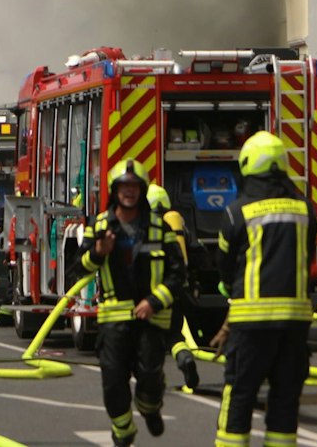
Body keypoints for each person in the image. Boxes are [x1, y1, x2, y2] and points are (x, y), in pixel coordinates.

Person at [213, 132, 314, 447]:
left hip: (251, 325)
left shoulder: (237, 211)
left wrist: (229, 289)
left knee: (240, 394)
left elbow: (224, 265)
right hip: (295, 324)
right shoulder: (305, 209)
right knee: (285, 398)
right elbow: (307, 257)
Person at [82, 160, 181, 445]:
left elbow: (178, 273)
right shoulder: (100, 226)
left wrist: (154, 301)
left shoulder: (159, 228)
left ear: (142, 190)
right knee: (113, 383)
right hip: (113, 322)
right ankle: (123, 432)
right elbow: (79, 269)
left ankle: (150, 408)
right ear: (115, 191)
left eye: (134, 186)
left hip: (149, 319)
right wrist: (99, 253)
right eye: (124, 186)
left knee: (150, 379)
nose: (129, 192)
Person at [147, 183, 201, 393]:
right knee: (174, 335)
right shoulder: (179, 226)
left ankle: (150, 381)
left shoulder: (145, 228)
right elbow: (196, 254)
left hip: (150, 296)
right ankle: (185, 357)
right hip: (176, 293)